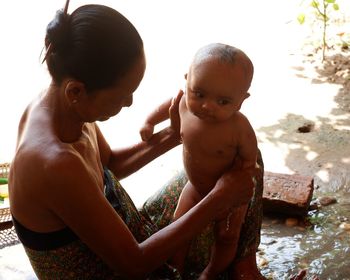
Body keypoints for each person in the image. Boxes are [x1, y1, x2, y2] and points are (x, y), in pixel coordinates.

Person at [8, 2, 258, 279]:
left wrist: (173, 135)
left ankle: (244, 266)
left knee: (236, 154)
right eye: (122, 95)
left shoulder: (62, 102)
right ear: (77, 90)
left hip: (127, 233)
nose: (129, 103)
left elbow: (111, 163)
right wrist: (218, 198)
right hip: (119, 267)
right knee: (231, 185)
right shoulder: (54, 163)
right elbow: (134, 265)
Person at [140, 43, 259, 279]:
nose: (207, 106)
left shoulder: (238, 127)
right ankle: (176, 269)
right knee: (178, 226)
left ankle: (210, 273)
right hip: (195, 186)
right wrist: (149, 123)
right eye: (200, 94)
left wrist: (246, 171)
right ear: (187, 81)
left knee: (227, 237)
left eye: (223, 102)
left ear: (241, 100)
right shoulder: (183, 103)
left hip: (230, 194)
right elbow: (164, 108)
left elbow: (250, 155)